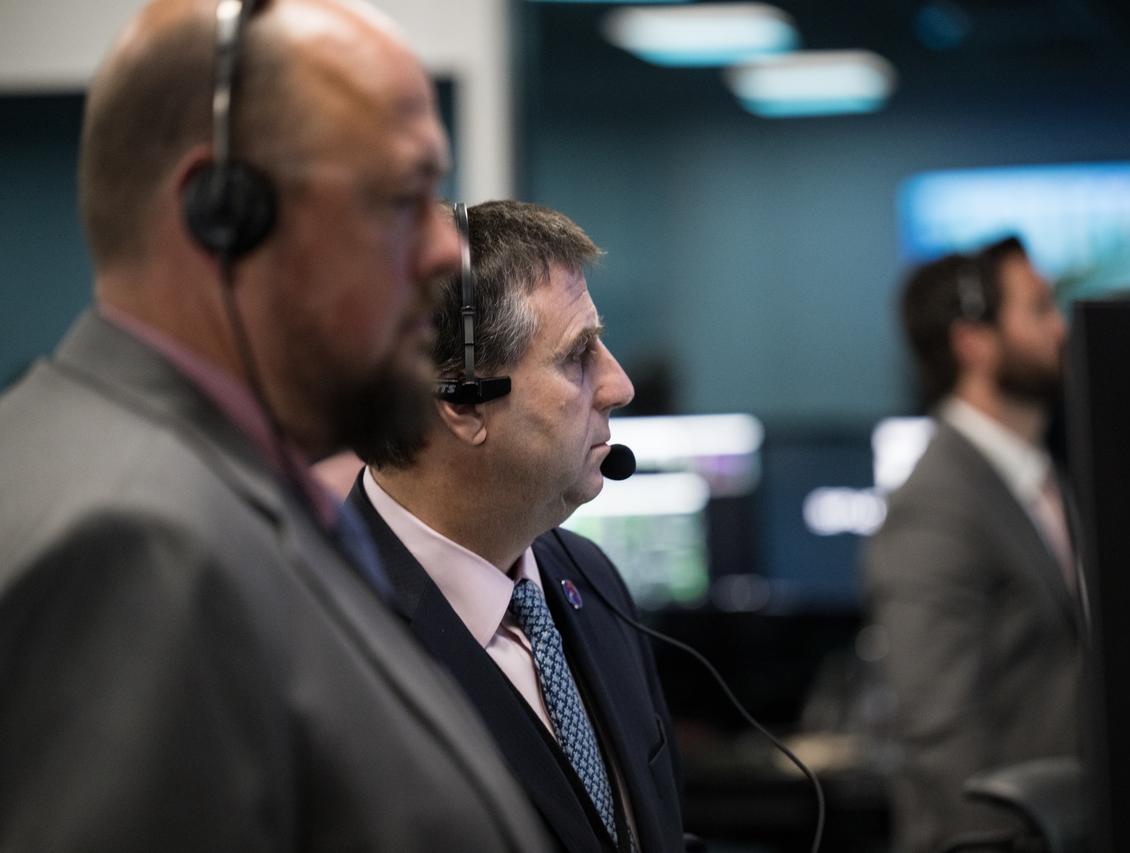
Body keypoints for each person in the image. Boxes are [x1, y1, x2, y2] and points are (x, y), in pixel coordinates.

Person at [0, 2, 550, 850]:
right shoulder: (137, 541)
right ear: (223, 214)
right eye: (399, 197)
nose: (447, 255)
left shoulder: (191, 480)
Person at [345, 200, 686, 852]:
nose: (619, 384)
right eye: (578, 353)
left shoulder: (592, 577)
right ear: (461, 402)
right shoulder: (327, 635)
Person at [864, 236, 1083, 853]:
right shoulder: (936, 501)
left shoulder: (1041, 476)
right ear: (973, 342)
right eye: (1040, 309)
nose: (1061, 328)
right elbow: (940, 733)